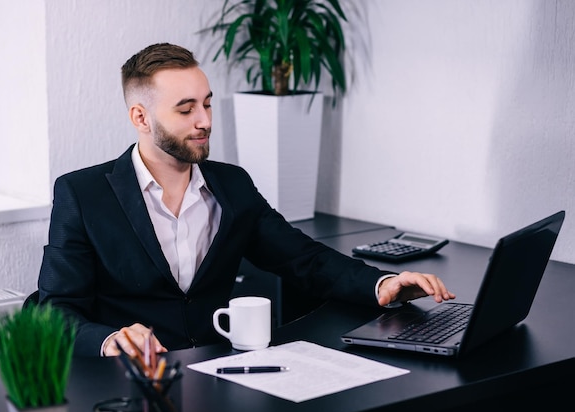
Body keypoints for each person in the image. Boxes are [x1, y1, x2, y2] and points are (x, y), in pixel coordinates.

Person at [37, 43, 455, 358]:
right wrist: (111, 339)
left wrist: (382, 284)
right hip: (130, 384)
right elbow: (55, 312)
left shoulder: (232, 185)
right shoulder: (81, 194)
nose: (205, 121)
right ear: (141, 118)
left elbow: (303, 260)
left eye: (207, 104)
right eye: (186, 110)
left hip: (222, 372)